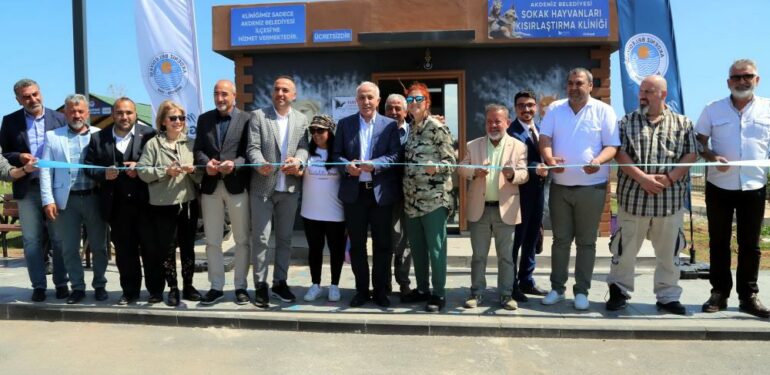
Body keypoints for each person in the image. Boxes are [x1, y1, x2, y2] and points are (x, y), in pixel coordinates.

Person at [605, 75, 697, 315]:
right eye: (641, 90)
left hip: (669, 202)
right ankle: (619, 291)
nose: (642, 95)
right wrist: (642, 179)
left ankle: (667, 297)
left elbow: (690, 155)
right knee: (624, 251)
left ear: (663, 95)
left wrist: (668, 179)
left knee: (669, 254)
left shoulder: (683, 123)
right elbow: (620, 154)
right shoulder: (626, 122)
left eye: (648, 91)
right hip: (633, 200)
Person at [539, 67, 619, 310]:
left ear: (590, 86)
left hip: (592, 188)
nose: (574, 87)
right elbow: (545, 140)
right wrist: (550, 161)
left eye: (579, 83)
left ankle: (582, 291)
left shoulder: (604, 111)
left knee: (586, 242)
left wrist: (598, 161)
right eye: (571, 83)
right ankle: (557, 288)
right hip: (560, 187)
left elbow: (612, 146)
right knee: (560, 241)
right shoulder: (555, 109)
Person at [696, 59, 770, 318]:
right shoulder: (712, 109)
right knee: (718, 242)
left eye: (747, 76)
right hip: (719, 185)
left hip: (754, 186)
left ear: (757, 80)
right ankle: (720, 292)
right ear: (728, 82)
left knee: (750, 244)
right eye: (736, 77)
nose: (742, 81)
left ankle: (748, 295)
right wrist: (712, 157)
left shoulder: (768, 109)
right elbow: (698, 142)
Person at [83, 97, 158, 305]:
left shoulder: (150, 135)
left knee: (151, 250)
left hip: (147, 204)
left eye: (128, 113)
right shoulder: (99, 138)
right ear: (113, 114)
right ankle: (130, 291)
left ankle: (155, 291)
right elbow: (88, 167)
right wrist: (102, 175)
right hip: (116, 206)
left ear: (135, 114)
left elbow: (159, 164)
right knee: (125, 252)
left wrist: (141, 168)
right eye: (120, 113)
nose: (124, 117)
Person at [332, 81, 401, 308]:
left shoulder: (389, 125)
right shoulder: (344, 124)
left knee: (383, 245)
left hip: (380, 195)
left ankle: (380, 291)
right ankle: (362, 290)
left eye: (370, 97)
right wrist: (346, 166)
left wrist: (375, 165)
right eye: (362, 98)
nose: (366, 102)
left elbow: (394, 156)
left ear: (378, 101)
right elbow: (336, 154)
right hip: (355, 195)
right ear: (357, 101)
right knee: (358, 246)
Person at [0, 78, 68, 302]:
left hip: (55, 188)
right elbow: (5, 153)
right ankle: (38, 285)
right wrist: (19, 156)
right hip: (27, 187)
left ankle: (61, 283)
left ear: (41, 93)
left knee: (59, 239)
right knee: (31, 240)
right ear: (18, 99)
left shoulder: (59, 118)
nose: (32, 99)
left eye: (35, 94)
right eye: (26, 96)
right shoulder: (9, 122)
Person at [246, 75, 309, 307]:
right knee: (261, 239)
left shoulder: (302, 119)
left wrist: (299, 162)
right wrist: (259, 162)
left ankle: (280, 282)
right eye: (277, 89)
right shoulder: (259, 116)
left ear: (293, 95)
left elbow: (304, 148)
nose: (280, 93)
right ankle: (260, 285)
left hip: (289, 188)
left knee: (285, 239)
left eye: (285, 90)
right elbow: (252, 147)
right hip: (262, 187)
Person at [459, 104, 528, 311]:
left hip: (505, 209)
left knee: (506, 257)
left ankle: (506, 295)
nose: (493, 125)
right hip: (480, 209)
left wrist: (512, 175)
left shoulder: (518, 146)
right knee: (478, 256)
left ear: (507, 122)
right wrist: (473, 171)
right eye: (489, 121)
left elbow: (525, 174)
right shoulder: (474, 145)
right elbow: (461, 168)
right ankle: (476, 292)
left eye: (498, 121)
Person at [40, 94, 108, 305]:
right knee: (68, 247)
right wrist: (47, 200)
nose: (76, 115)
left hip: (94, 199)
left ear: (87, 113)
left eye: (80, 111)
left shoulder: (100, 135)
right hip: (65, 201)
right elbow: (45, 170)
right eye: (72, 111)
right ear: (65, 113)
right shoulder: (53, 136)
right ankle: (77, 287)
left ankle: (100, 285)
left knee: (99, 246)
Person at [137, 100, 202, 306]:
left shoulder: (191, 143)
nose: (178, 121)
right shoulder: (153, 144)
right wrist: (165, 172)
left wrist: (193, 171)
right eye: (173, 118)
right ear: (163, 122)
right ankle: (172, 288)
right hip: (163, 204)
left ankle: (188, 285)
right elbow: (143, 172)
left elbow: (201, 175)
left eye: (181, 118)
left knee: (188, 246)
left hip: (188, 202)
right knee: (167, 248)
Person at [194, 79, 252, 306]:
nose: (220, 98)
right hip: (210, 187)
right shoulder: (204, 119)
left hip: (237, 185)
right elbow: (197, 149)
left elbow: (249, 151)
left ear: (234, 96)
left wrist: (235, 164)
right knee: (213, 241)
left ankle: (240, 286)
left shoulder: (246, 119)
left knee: (242, 239)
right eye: (216, 93)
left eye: (224, 94)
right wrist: (206, 163)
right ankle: (216, 286)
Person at [400, 82, 456, 312]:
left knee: (436, 249)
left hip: (433, 200)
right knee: (418, 248)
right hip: (412, 200)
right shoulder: (410, 129)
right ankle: (422, 289)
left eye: (418, 99)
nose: (414, 103)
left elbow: (451, 161)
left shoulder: (437, 128)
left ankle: (438, 293)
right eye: (410, 100)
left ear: (427, 102)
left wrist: (437, 167)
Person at [506, 90, 549, 302]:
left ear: (536, 107)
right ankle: (511, 284)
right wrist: (535, 168)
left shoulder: (539, 130)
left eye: (530, 105)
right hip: (518, 194)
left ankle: (527, 280)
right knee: (517, 241)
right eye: (522, 105)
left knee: (532, 238)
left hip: (538, 193)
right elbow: (513, 163)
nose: (526, 109)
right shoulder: (511, 133)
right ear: (515, 108)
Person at [299, 115, 345, 302]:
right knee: (314, 249)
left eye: (320, 130)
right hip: (310, 212)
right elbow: (300, 171)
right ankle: (315, 284)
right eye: (313, 131)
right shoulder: (306, 153)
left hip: (335, 212)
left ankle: (334, 285)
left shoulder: (339, 153)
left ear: (330, 132)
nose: (316, 134)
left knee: (336, 250)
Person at [384, 93, 413, 296]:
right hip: (384, 194)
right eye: (390, 108)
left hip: (409, 195)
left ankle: (403, 282)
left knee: (406, 242)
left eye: (398, 108)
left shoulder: (415, 131)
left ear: (405, 110)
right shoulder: (378, 131)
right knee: (385, 240)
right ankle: (383, 284)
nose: (394, 112)